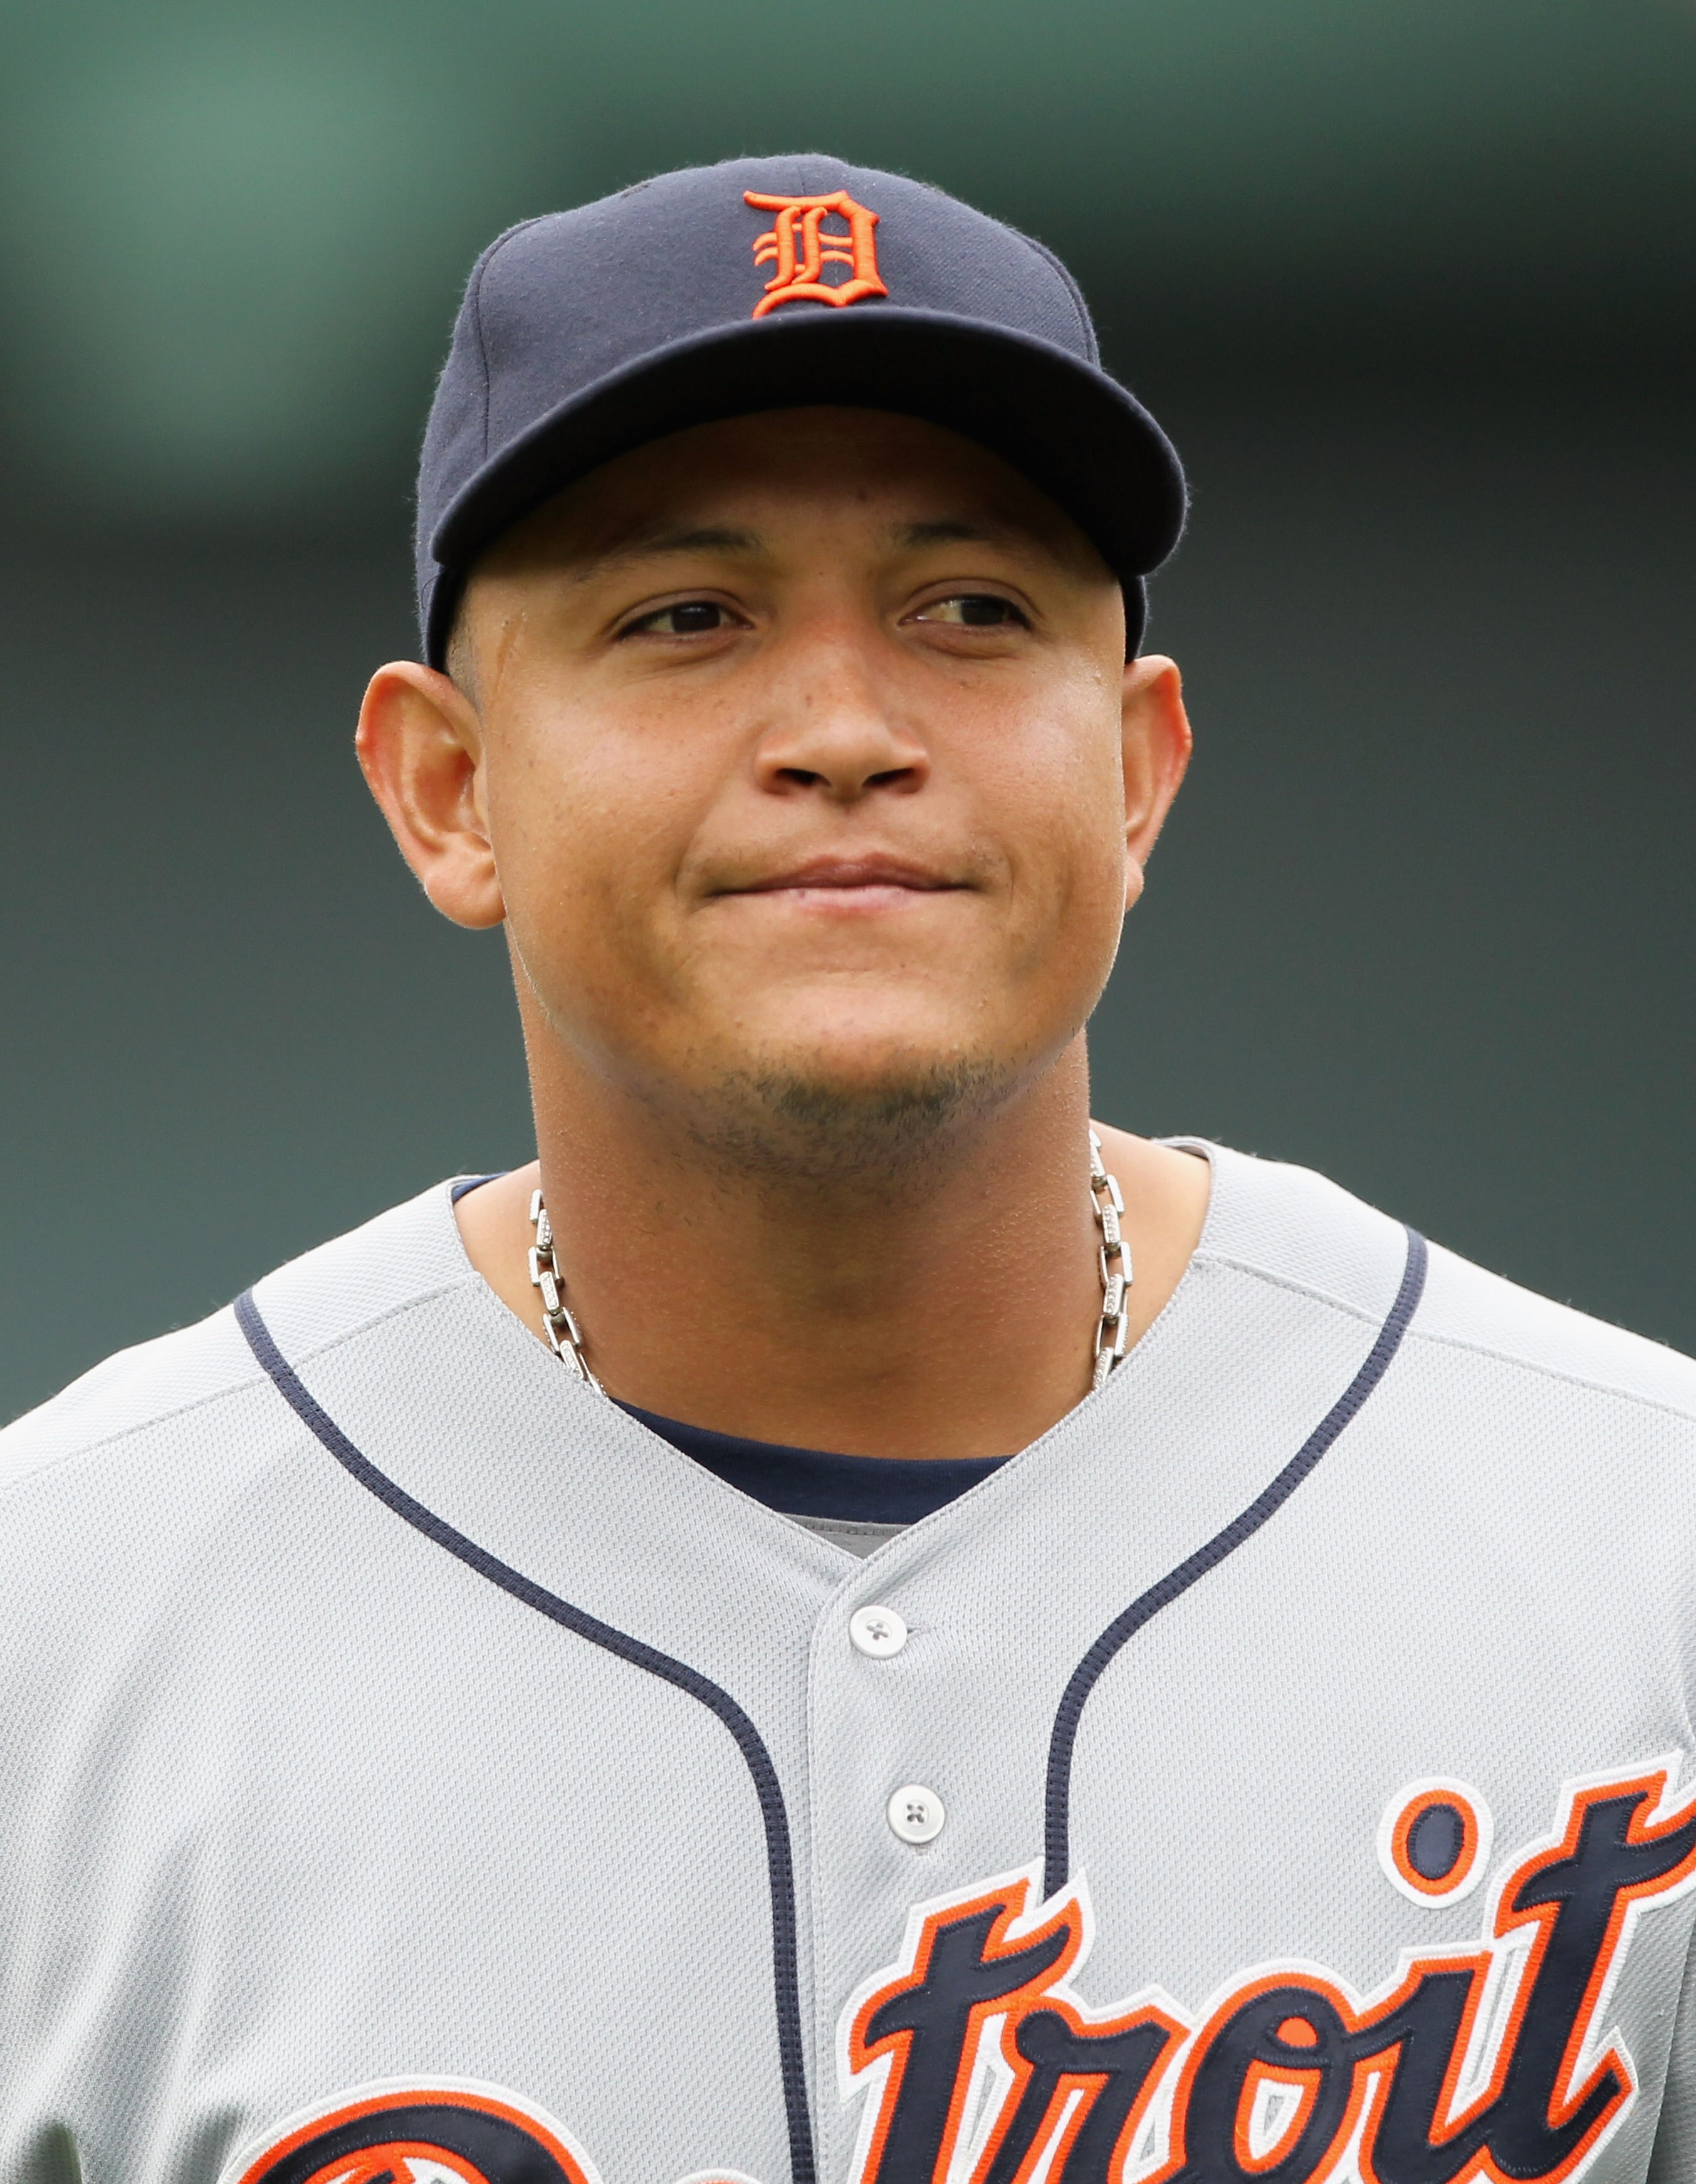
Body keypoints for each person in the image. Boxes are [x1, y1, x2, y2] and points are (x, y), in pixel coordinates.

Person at [1, 155, 1693, 2184]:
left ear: (1136, 770)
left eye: (970, 609)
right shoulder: (60, 1621)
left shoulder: (1638, 1549)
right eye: (684, 615)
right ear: (449, 790)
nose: (842, 727)